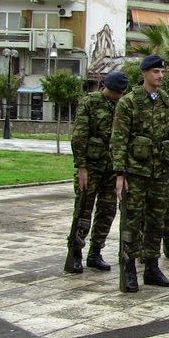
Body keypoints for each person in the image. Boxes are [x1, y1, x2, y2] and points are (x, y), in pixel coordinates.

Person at [112, 55, 169, 292]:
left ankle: (152, 267)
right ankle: (130, 267)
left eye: (162, 72)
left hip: (161, 173)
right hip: (136, 173)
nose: (160, 76)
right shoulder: (129, 103)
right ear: (144, 73)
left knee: (157, 221)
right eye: (155, 72)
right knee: (132, 221)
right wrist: (120, 174)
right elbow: (119, 140)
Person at [66, 71, 129, 273]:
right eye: (115, 92)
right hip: (91, 167)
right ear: (107, 88)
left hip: (112, 168)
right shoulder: (90, 102)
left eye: (121, 93)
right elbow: (79, 136)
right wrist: (81, 167)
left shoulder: (124, 106)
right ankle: (76, 251)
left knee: (107, 211)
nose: (118, 96)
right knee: (84, 209)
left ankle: (96, 252)